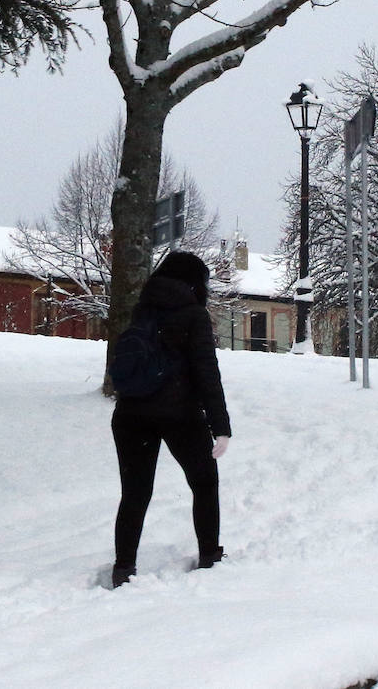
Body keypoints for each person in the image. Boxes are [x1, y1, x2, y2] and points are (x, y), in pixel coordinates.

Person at [110, 251, 231, 588]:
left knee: (135, 492)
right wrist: (220, 426)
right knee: (204, 482)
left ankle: (123, 568)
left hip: (131, 414)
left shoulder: (142, 308)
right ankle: (209, 554)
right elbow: (207, 372)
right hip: (179, 414)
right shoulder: (193, 315)